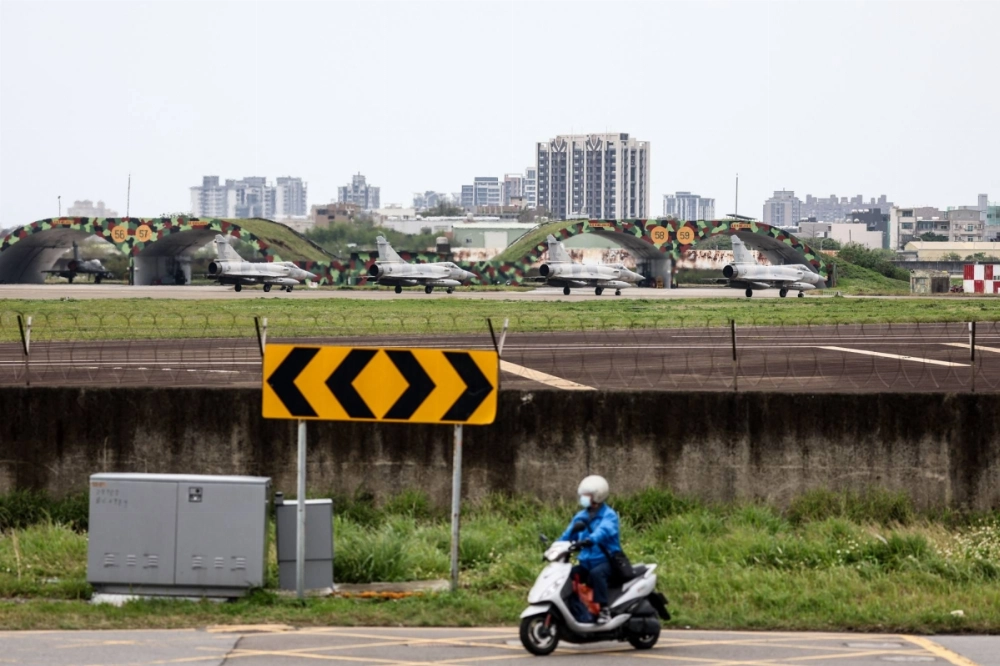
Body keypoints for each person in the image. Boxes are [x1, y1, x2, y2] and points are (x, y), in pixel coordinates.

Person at [560, 475, 621, 625]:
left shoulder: (609, 516)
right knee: (568, 575)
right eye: (583, 495)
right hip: (587, 561)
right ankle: (575, 608)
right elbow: (568, 534)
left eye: (587, 495)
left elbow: (603, 531)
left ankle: (604, 611)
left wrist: (590, 540)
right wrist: (556, 546)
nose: (583, 498)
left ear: (598, 496)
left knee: (596, 574)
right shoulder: (581, 516)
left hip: (607, 560)